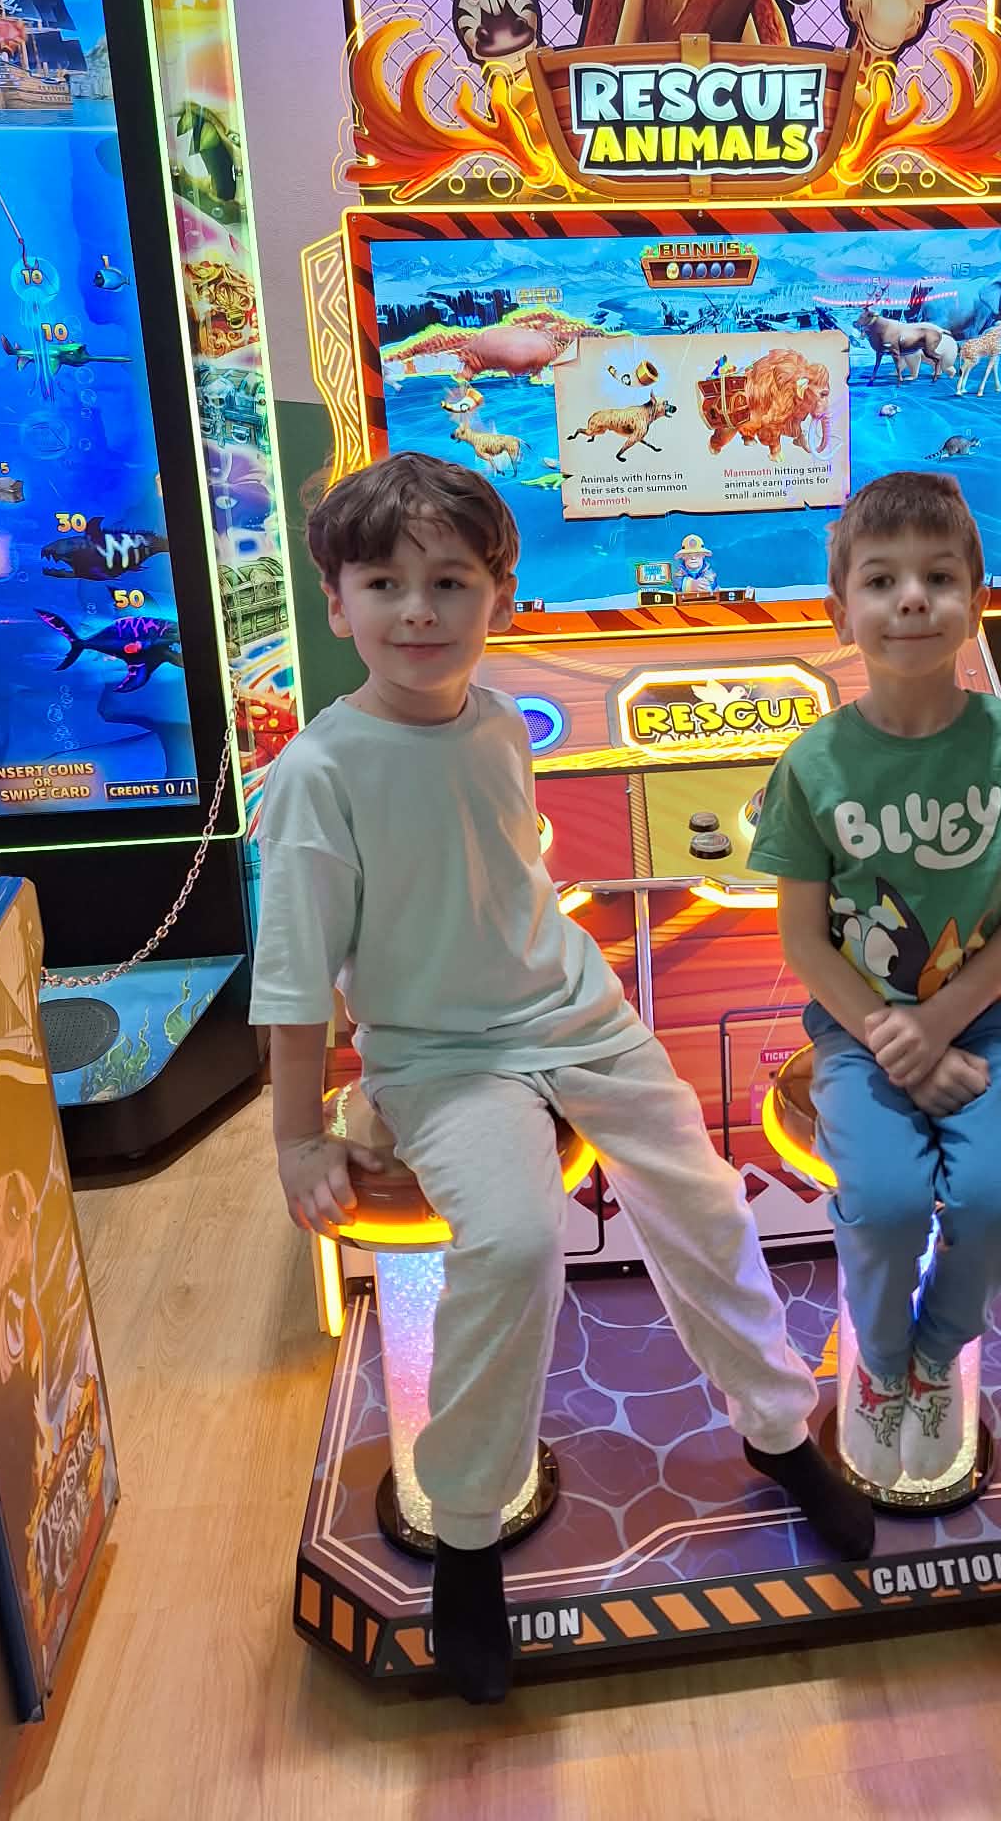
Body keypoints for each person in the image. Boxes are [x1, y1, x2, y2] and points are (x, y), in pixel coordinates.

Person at [250, 451, 872, 1705]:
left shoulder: (493, 721)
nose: (417, 610)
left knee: (703, 1196)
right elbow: (295, 974)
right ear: (337, 600)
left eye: (448, 582)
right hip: (442, 1055)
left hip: (576, 1012)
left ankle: (773, 1429)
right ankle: (466, 1532)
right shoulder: (319, 771)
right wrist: (298, 1133)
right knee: (516, 1243)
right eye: (385, 583)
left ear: (499, 594)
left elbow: (501, 880)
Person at [751, 472, 1001, 1488]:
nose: (911, 599)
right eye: (881, 579)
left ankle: (935, 1353)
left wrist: (936, 1026)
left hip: (983, 1020)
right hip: (856, 1029)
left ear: (975, 602)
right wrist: (895, 1038)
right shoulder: (811, 765)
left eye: (939, 577)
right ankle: (881, 1362)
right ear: (838, 609)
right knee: (888, 1201)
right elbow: (804, 941)